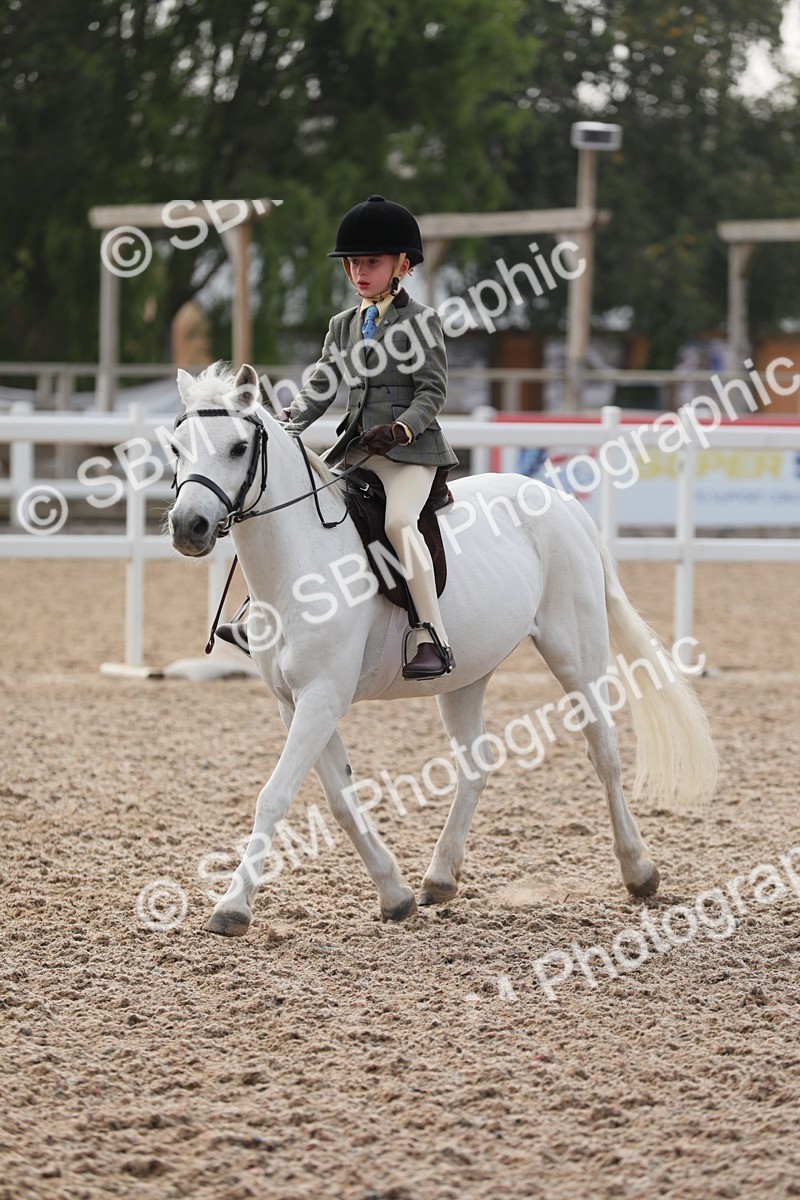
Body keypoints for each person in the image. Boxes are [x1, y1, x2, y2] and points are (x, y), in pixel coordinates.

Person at [218, 194, 459, 679]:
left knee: (398, 525)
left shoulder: (421, 321)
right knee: (298, 507)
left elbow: (433, 390)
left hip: (411, 453)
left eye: (371, 262)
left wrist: (401, 428)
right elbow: (321, 386)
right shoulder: (343, 326)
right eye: (353, 263)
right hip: (359, 450)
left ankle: (430, 635)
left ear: (402, 265)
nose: (359, 272)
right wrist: (285, 427)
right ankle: (259, 615)